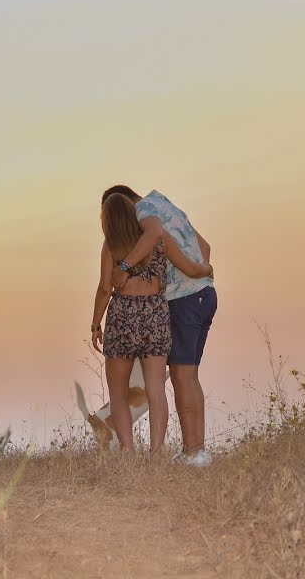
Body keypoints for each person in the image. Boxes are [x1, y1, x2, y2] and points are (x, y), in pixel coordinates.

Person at [90, 193, 213, 459]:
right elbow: (191, 268)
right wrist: (207, 270)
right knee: (156, 391)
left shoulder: (111, 246)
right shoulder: (160, 241)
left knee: (119, 392)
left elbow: (103, 288)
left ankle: (128, 451)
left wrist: (95, 324)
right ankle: (157, 452)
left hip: (123, 319)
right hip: (155, 317)